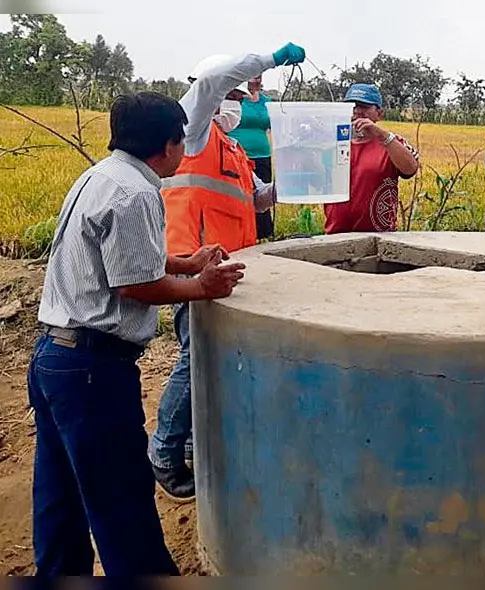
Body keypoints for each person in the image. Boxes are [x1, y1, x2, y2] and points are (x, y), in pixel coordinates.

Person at [29, 91, 246, 576]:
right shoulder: (138, 192)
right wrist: (201, 285)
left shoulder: (103, 176)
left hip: (55, 357)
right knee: (121, 498)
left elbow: (117, 253)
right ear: (166, 145)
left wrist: (183, 261)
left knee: (59, 495)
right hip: (92, 369)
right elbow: (134, 285)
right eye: (181, 142)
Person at [150, 44, 305, 503]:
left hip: (230, 270)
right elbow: (215, 78)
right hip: (191, 266)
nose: (241, 101)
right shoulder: (192, 132)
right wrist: (271, 60)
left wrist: (296, 181)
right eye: (234, 94)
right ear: (213, 96)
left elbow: (257, 200)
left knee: (211, 360)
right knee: (195, 358)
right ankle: (163, 451)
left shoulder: (234, 149)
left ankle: (198, 446)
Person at [323, 83, 420, 233]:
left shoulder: (392, 143)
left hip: (379, 236)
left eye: (364, 107)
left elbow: (410, 169)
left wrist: (381, 135)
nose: (357, 112)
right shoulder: (333, 143)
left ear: (379, 114)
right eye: (353, 107)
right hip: (336, 235)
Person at [227, 74, 275, 240]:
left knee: (255, 195)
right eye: (232, 98)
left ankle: (261, 235)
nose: (257, 80)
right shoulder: (205, 139)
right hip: (237, 154)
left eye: (239, 100)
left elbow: (260, 196)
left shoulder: (266, 101)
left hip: (257, 157)